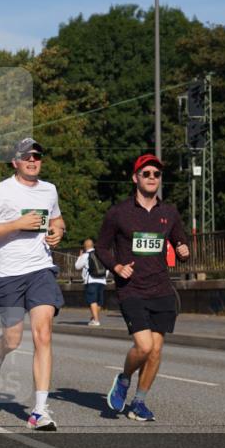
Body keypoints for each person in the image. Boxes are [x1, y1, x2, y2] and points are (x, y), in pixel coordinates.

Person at [0, 137, 66, 431]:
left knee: (43, 334)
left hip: (41, 269)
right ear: (15, 161)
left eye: (37, 156)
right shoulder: (1, 191)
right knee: (13, 339)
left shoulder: (49, 190)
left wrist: (57, 232)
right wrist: (17, 224)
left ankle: (40, 410)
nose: (32, 160)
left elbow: (58, 220)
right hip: (9, 273)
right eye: (26, 156)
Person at [95, 154, 190, 422]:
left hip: (161, 288)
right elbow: (102, 246)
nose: (152, 178)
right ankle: (124, 378)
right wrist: (116, 267)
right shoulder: (118, 212)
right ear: (135, 177)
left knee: (157, 351)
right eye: (146, 173)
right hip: (132, 288)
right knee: (144, 346)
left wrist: (184, 250)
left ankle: (139, 403)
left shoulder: (168, 212)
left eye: (156, 174)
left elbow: (180, 243)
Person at [75, 238, 108, 326]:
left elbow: (77, 266)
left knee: (92, 300)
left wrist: (80, 256)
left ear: (85, 247)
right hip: (102, 280)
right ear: (93, 245)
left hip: (91, 280)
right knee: (99, 301)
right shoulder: (101, 255)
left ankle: (96, 320)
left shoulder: (86, 255)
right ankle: (94, 318)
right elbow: (107, 268)